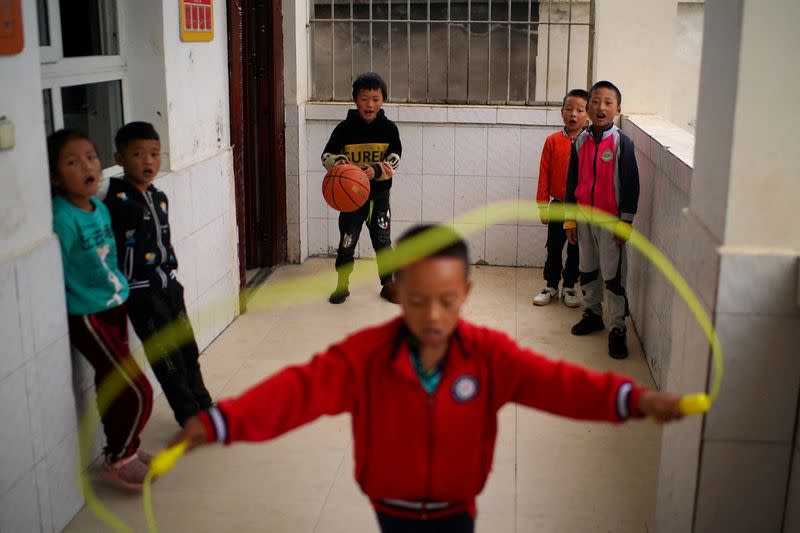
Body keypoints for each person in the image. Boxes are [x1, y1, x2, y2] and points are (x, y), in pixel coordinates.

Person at [172, 224, 683, 533]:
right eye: (416, 301)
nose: (432, 316)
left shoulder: (488, 356)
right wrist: (220, 422)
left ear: (466, 291)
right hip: (389, 505)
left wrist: (632, 400)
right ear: (398, 293)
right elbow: (298, 391)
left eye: (446, 301)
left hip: (456, 508)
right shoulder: (365, 357)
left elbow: (557, 383)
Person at [48, 129, 153, 490]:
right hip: (88, 314)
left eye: (91, 157)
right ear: (55, 177)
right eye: (72, 162)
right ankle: (120, 456)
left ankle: (123, 449)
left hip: (114, 304)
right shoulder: (62, 218)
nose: (86, 166)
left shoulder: (99, 210)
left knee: (111, 384)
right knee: (139, 390)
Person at [104, 122, 213, 426]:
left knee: (188, 349)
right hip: (141, 293)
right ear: (119, 159)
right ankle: (190, 418)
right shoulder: (113, 200)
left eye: (154, 153)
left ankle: (204, 405)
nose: (148, 161)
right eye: (138, 154)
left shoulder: (158, 196)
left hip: (169, 285)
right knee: (168, 359)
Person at [564, 81, 640, 359]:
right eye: (595, 101)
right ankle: (593, 313)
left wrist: (626, 221)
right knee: (588, 269)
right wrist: (570, 220)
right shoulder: (581, 141)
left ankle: (618, 328)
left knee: (613, 276)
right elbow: (572, 182)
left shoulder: (623, 143)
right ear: (588, 109)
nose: (601, 107)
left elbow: (631, 185)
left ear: (618, 110)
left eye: (608, 102)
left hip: (611, 223)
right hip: (584, 220)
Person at [321, 72, 402, 305]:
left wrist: (376, 170)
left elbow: (396, 158)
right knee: (347, 243)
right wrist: (340, 164)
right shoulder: (344, 129)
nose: (370, 104)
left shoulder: (389, 129)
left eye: (375, 99)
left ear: (382, 101)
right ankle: (342, 284)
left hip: (379, 197)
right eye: (365, 99)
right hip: (351, 201)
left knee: (383, 242)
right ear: (355, 100)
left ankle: (388, 284)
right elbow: (326, 155)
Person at [533, 88, 589, 308]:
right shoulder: (552, 141)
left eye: (579, 110)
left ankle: (569, 287)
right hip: (557, 204)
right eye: (569, 109)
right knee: (554, 247)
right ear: (562, 112)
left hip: (579, 208)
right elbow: (544, 174)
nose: (573, 114)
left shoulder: (590, 144)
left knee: (575, 248)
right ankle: (551, 286)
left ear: (587, 115)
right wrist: (542, 206)